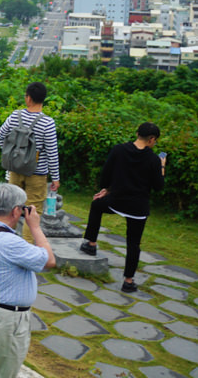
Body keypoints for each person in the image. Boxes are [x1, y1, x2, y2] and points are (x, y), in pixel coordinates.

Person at [0, 183, 56, 378]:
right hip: (5, 319)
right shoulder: (11, 243)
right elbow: (50, 260)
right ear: (17, 211)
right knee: (0, 373)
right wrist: (35, 227)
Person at [79, 122, 165, 293]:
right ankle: (128, 281)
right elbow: (159, 187)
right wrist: (162, 166)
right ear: (152, 139)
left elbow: (106, 173)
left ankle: (91, 243)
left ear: (137, 133)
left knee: (96, 205)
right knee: (133, 244)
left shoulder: (119, 150)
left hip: (116, 201)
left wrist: (106, 189)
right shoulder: (154, 159)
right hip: (138, 208)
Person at [0, 81, 59, 243]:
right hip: (37, 173)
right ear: (43, 99)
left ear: (28, 98)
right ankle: (26, 248)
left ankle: (6, 242)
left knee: (12, 208)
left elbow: (0, 136)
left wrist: (10, 154)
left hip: (15, 170)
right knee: (32, 211)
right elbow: (52, 152)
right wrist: (56, 178)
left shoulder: (15, 116)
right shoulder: (48, 123)